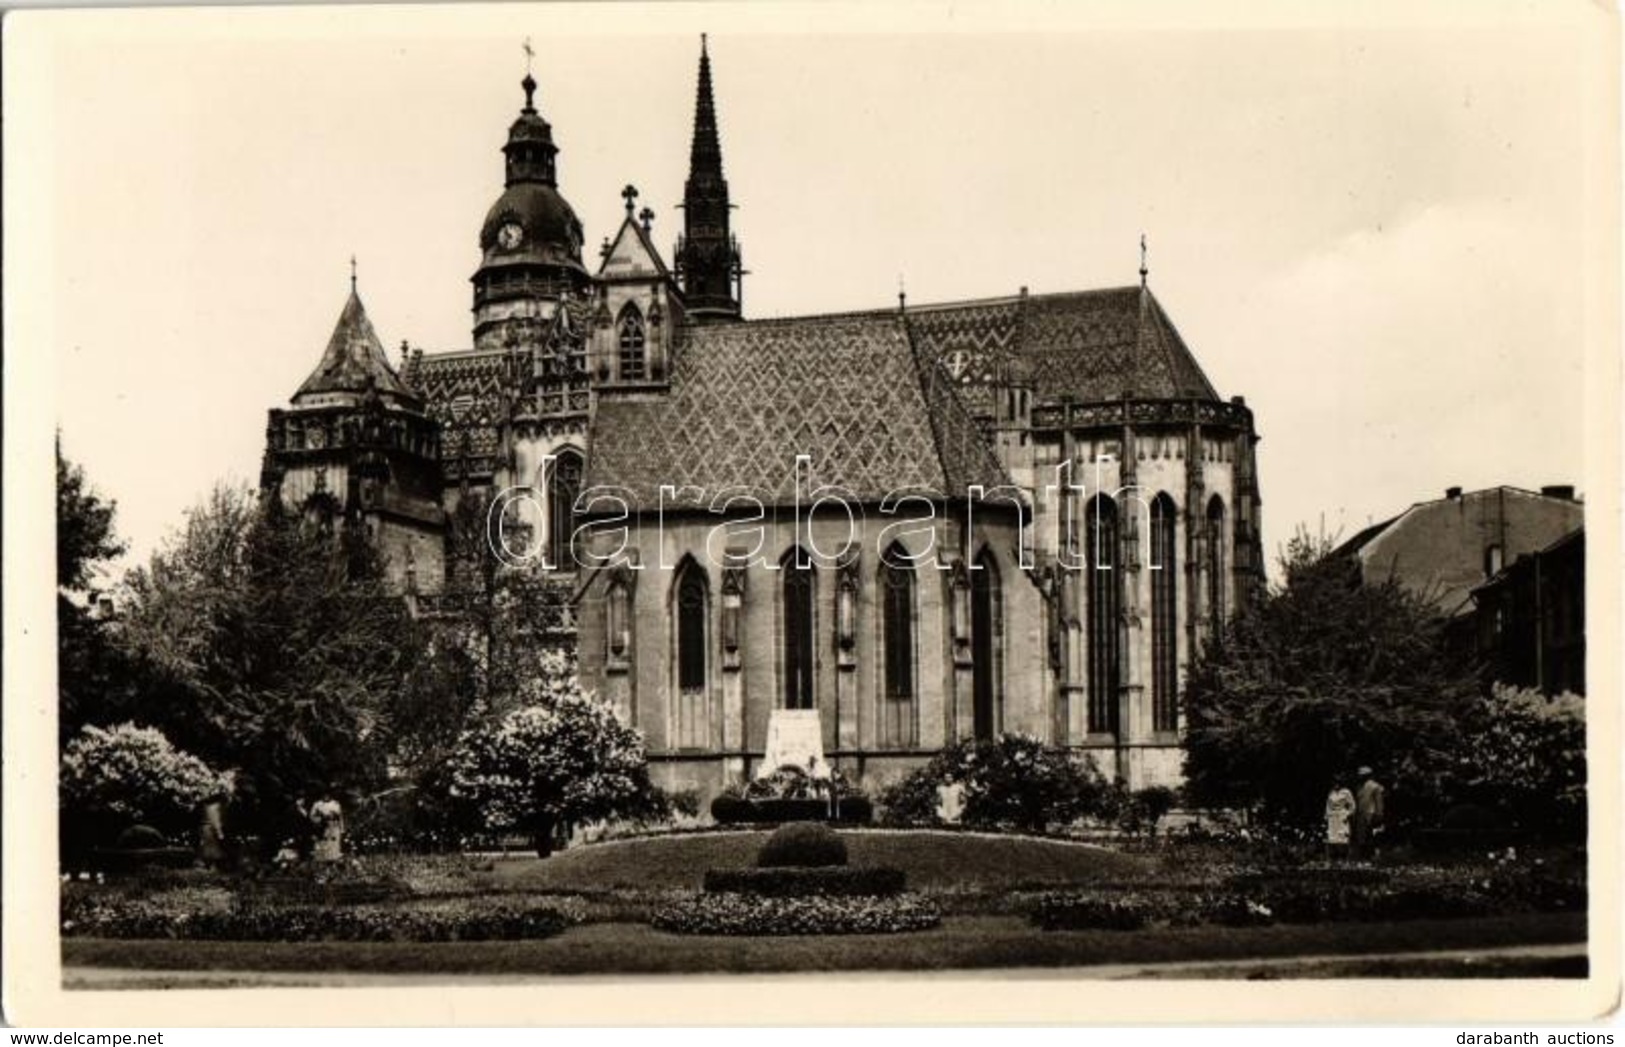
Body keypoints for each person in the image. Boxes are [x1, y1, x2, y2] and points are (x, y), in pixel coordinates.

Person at [1351, 766, 1386, 861]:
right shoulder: (1360, 787)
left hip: (1371, 813)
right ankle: (1364, 856)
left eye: (1362, 775)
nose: (1360, 777)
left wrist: (1379, 814)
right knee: (1361, 836)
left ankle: (1373, 856)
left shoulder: (1375, 786)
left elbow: (1379, 802)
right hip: (1361, 813)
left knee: (1372, 836)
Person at [197, 788, 230, 871]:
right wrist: (220, 833)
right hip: (211, 830)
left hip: (205, 828)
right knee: (214, 849)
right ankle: (213, 867)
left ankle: (209, 865)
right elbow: (216, 821)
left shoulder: (208, 806)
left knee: (208, 848)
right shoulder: (216, 807)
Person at [1324, 778, 1355, 862]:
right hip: (1332, 817)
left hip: (1342, 816)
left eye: (1337, 783)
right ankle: (1334, 858)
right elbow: (1328, 805)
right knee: (1332, 838)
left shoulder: (1346, 792)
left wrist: (1348, 814)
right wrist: (1327, 816)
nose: (1336, 785)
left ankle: (1344, 858)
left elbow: (1352, 805)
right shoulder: (1331, 793)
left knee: (1343, 837)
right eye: (1334, 783)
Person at [309, 790, 345, 864]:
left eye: (328, 795)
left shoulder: (335, 804)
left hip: (333, 826)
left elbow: (340, 817)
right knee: (323, 842)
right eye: (324, 795)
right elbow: (312, 816)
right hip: (322, 827)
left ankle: (333, 859)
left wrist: (342, 828)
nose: (326, 797)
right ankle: (322, 860)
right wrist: (320, 819)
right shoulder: (317, 804)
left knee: (333, 842)